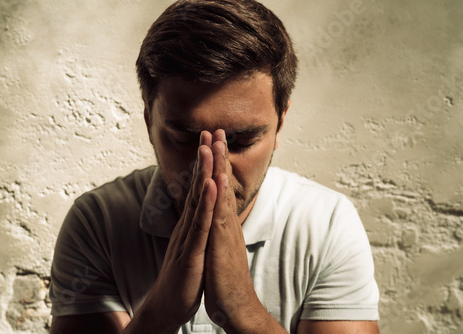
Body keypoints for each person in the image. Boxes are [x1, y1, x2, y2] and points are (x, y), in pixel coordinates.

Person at [49, 0, 380, 333]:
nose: (214, 170)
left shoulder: (326, 225)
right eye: (185, 139)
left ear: (279, 124)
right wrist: (162, 311)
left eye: (241, 141)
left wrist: (242, 308)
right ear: (150, 123)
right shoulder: (97, 224)